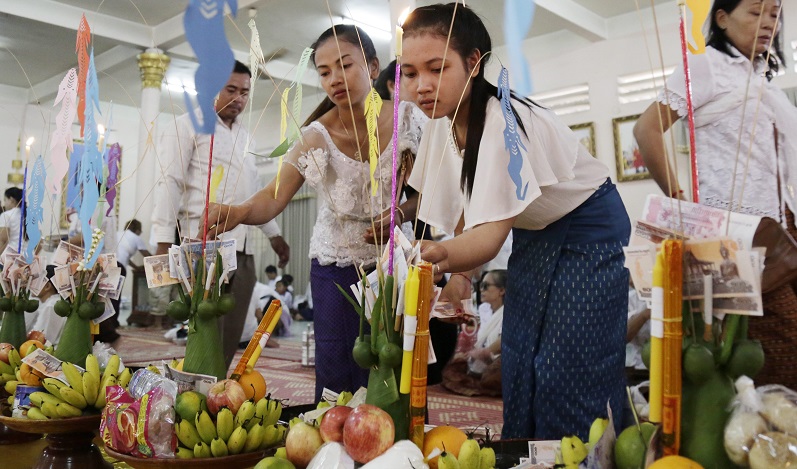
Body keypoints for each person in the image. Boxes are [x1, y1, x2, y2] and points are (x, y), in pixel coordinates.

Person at [401, 3, 630, 439]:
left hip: (588, 225)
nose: (422, 86)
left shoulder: (503, 122)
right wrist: (462, 275)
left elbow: (488, 234)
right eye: (410, 73)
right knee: (522, 355)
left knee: (566, 359)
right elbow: (475, 199)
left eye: (436, 68)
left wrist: (445, 254)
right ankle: (527, 452)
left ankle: (579, 457)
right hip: (536, 230)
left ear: (473, 63)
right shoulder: (443, 122)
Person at [204, 25, 426, 401]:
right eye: (324, 72)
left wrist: (400, 214)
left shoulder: (408, 119)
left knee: (390, 366)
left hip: (390, 265)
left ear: (373, 67)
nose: (335, 79)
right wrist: (240, 210)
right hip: (334, 266)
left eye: (345, 65)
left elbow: (428, 193)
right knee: (338, 366)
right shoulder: (314, 136)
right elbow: (274, 197)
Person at [634, 0, 796, 388]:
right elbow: (646, 130)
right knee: (778, 345)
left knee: (764, 351)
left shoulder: (762, 79)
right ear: (722, 18)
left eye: (774, 14)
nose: (767, 23)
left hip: (779, 228)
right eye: (755, 13)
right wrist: (682, 202)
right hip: (736, 234)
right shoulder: (705, 66)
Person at [151, 61, 291, 369]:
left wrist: (274, 234)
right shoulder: (185, 126)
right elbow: (169, 182)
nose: (239, 99)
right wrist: (162, 240)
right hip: (202, 244)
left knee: (232, 332)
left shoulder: (245, 138)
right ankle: (194, 394)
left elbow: (255, 193)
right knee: (203, 331)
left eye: (244, 92)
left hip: (242, 249)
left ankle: (216, 393)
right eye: (231, 90)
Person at [442, 269, 506, 397]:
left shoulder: (509, 312)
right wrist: (469, 354)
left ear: (501, 290)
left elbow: (505, 340)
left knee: (494, 374)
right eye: (480, 285)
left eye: (486, 286)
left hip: (499, 359)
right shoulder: (484, 310)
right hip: (482, 361)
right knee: (450, 367)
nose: (481, 289)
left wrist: (484, 352)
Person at [30, 266, 67, 346]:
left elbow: (42, 340)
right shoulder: (51, 303)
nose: (31, 283)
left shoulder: (52, 306)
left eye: (36, 280)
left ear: (47, 286)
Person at [0, 187, 23, 254]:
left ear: (11, 200)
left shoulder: (6, 215)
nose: (4, 204)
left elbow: (3, 240)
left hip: (11, 256)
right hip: (27, 258)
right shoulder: (28, 216)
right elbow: (40, 241)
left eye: (5, 200)